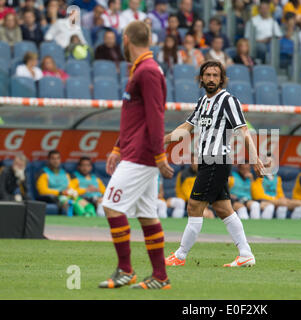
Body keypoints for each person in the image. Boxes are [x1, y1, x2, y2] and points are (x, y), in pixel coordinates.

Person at [164, 60, 265, 268]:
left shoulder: (228, 100)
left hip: (216, 160)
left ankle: (180, 256)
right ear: (201, 78)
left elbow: (243, 131)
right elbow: (186, 128)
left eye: (215, 75)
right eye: (207, 75)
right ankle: (245, 253)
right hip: (205, 161)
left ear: (222, 78)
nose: (211, 79)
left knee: (194, 206)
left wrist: (255, 158)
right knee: (223, 208)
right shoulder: (202, 102)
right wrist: (162, 140)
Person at [99, 21, 173, 290]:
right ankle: (160, 276)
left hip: (142, 155)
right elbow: (135, 118)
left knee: (111, 205)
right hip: (135, 152)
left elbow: (156, 117)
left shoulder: (148, 71)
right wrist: (118, 146)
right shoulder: (142, 70)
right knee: (146, 215)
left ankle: (126, 270)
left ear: (126, 38)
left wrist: (159, 155)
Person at [251, 154, 301, 220]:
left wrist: (282, 199)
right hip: (263, 201)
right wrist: (276, 200)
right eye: (266, 162)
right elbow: (257, 195)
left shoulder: (277, 178)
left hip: (277, 201)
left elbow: (280, 194)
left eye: (271, 162)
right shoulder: (258, 176)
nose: (268, 164)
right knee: (275, 206)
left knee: (300, 204)